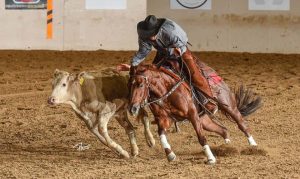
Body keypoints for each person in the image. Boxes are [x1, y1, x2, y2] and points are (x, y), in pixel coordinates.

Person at [118, 15, 217, 114]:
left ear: (158, 29)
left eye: (153, 33)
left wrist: (176, 50)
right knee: (151, 76)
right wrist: (133, 65)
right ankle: (156, 108)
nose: (151, 37)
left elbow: (182, 43)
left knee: (194, 73)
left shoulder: (172, 31)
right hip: (163, 53)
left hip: (180, 50)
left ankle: (208, 102)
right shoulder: (143, 34)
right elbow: (143, 51)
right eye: (149, 34)